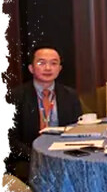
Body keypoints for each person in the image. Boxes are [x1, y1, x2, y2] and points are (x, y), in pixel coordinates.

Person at [7, 44, 83, 182]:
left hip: (64, 155)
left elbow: (77, 130)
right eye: (41, 63)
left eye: (53, 63)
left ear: (59, 69)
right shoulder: (15, 97)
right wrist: (37, 156)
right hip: (28, 159)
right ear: (31, 68)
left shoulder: (70, 96)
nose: (48, 68)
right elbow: (10, 139)